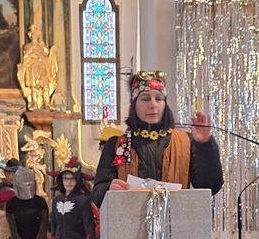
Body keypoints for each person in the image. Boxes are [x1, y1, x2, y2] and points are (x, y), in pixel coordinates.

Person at [91, 70, 223, 207]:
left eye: (159, 99)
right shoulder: (116, 145)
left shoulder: (185, 142)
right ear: (133, 106)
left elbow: (211, 186)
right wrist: (109, 188)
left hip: (176, 218)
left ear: (165, 105)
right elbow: (97, 194)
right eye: (145, 99)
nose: (153, 105)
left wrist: (205, 144)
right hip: (129, 218)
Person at [17, 25, 58, 110]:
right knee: (34, 85)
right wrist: (33, 55)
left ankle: (47, 102)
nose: (35, 36)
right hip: (32, 67)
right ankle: (34, 102)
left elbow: (47, 54)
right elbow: (26, 57)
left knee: (45, 84)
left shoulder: (41, 46)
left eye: (36, 34)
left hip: (42, 66)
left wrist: (45, 47)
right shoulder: (28, 46)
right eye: (33, 34)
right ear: (30, 35)